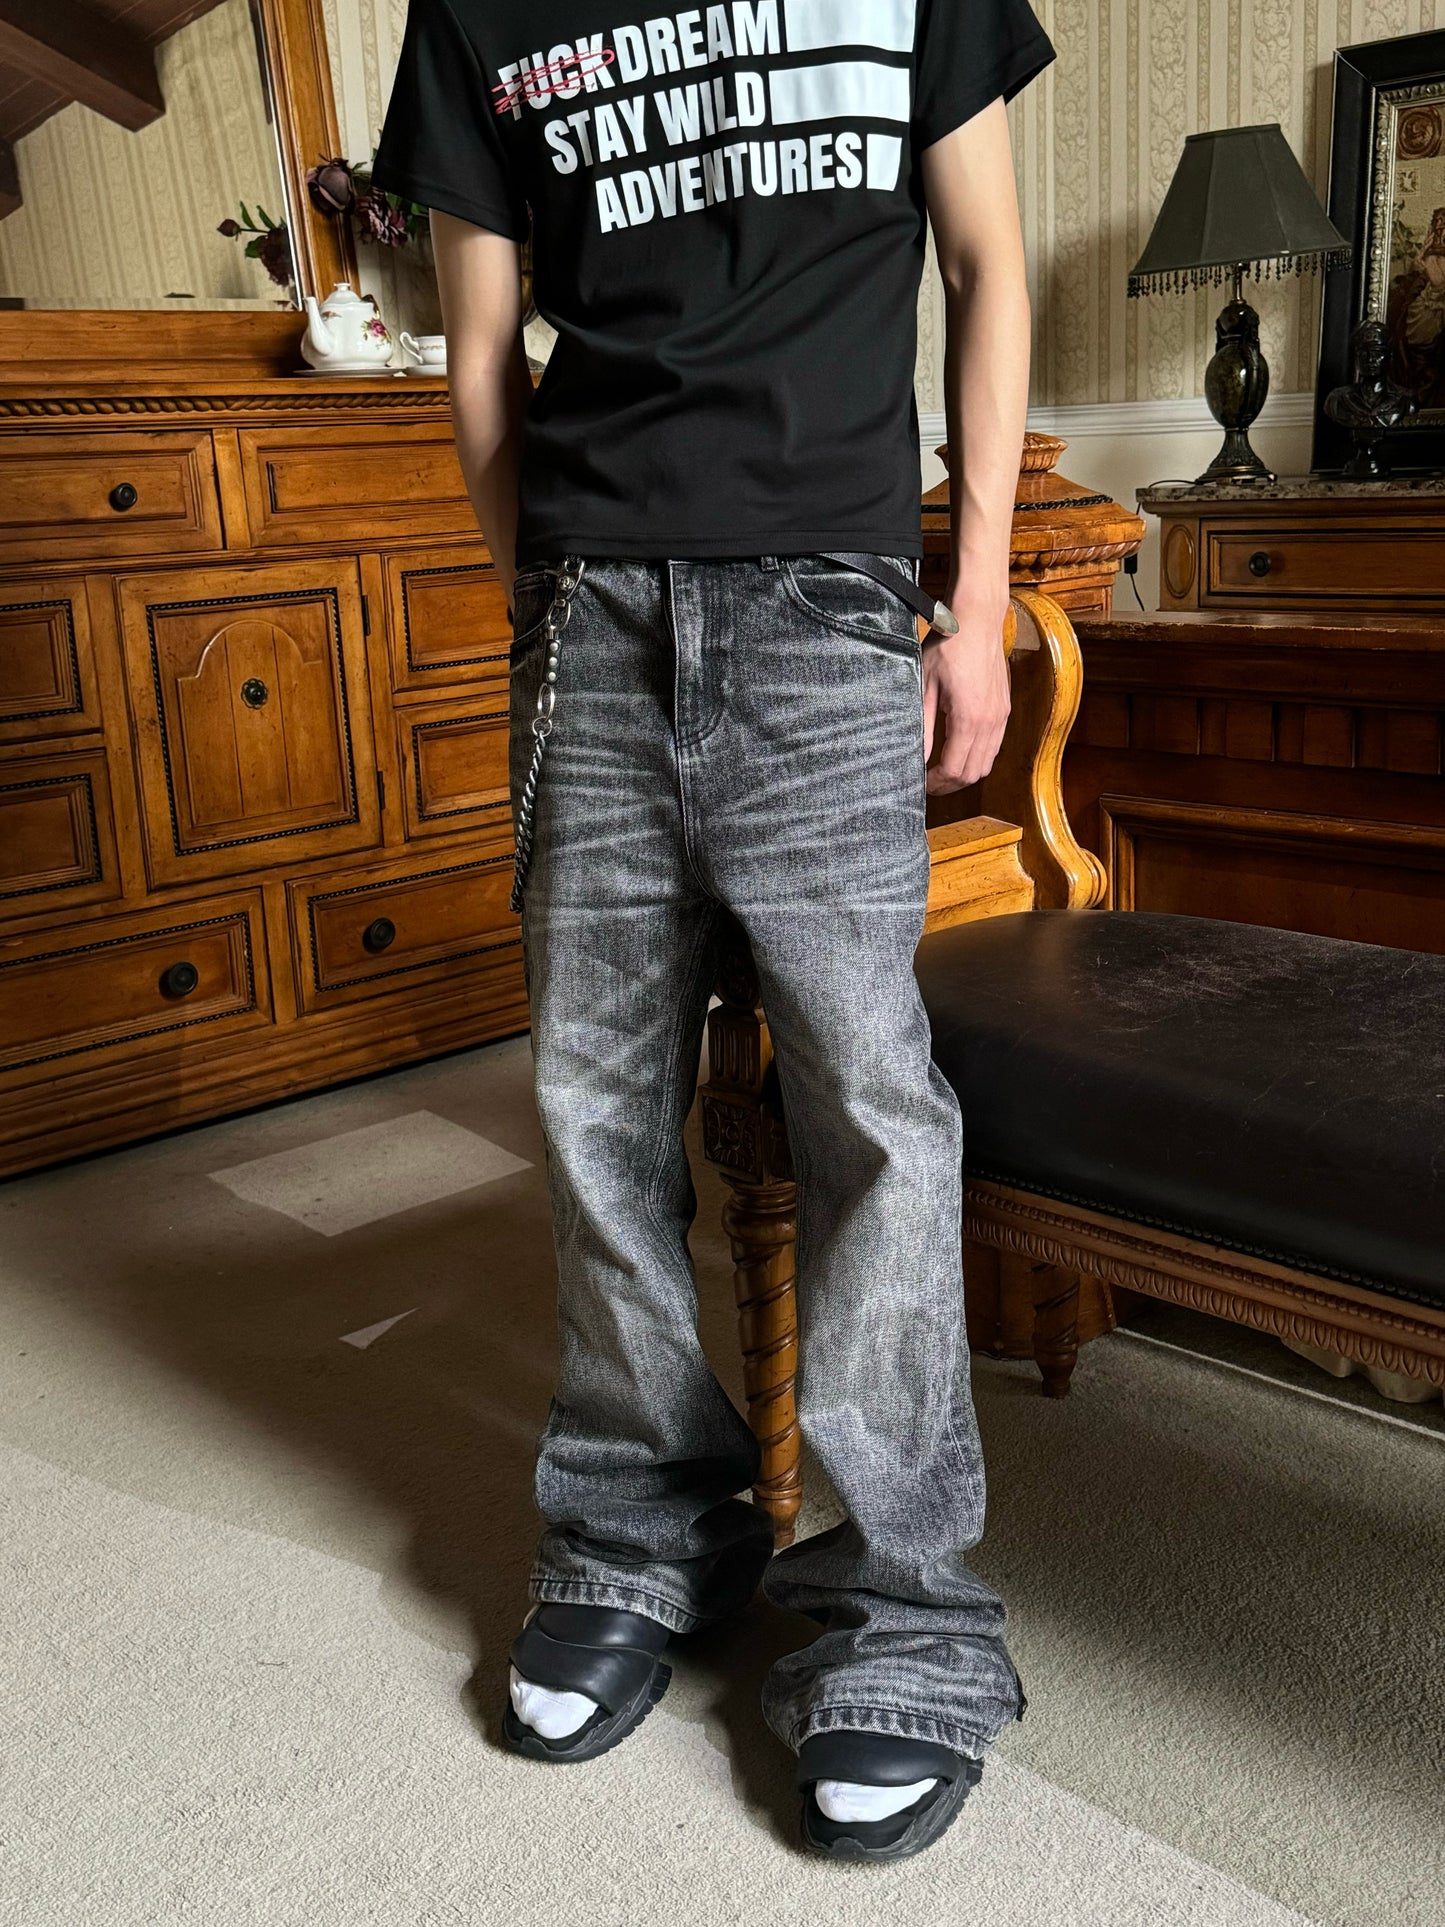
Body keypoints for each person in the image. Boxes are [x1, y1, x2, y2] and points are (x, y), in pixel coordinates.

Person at [370, 0, 1055, 1863]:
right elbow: (479, 347)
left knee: (868, 1109)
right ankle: (636, 1530)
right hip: (586, 610)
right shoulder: (475, 8)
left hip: (826, 604)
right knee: (595, 1105)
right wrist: (543, 604)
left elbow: (987, 266)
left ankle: (906, 1606)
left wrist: (973, 600)